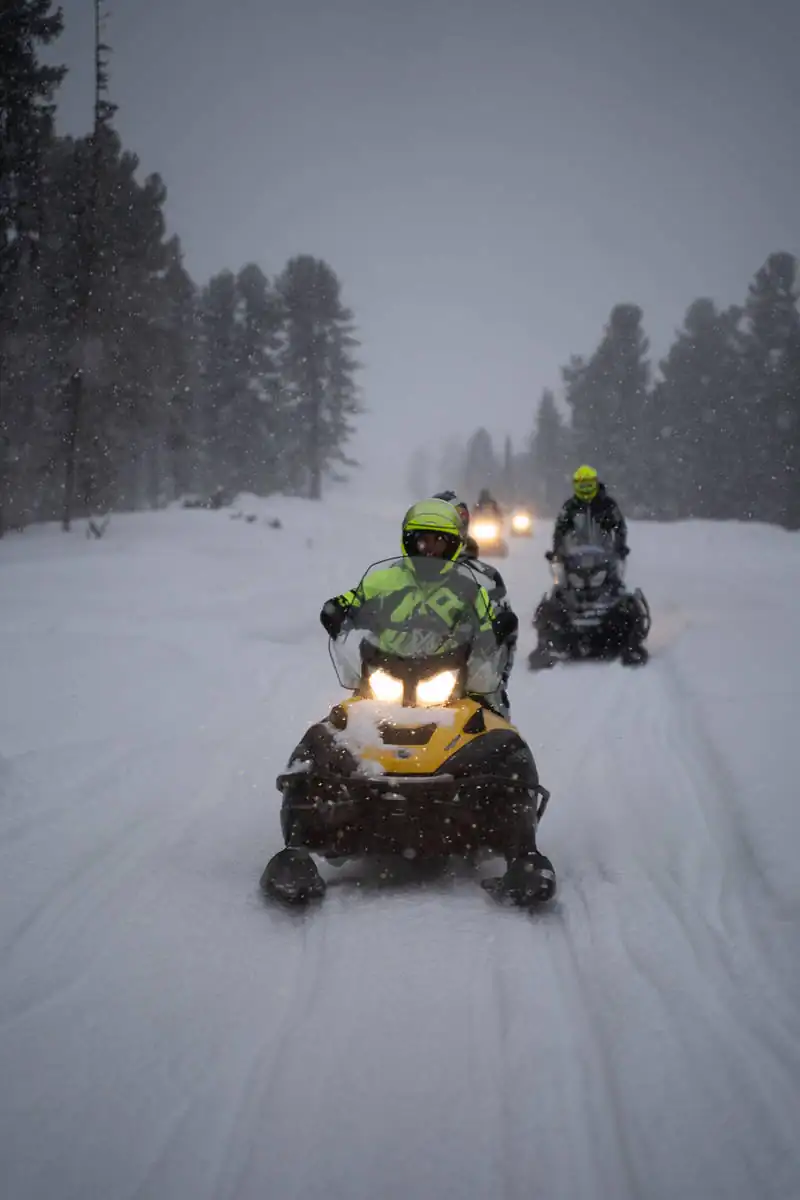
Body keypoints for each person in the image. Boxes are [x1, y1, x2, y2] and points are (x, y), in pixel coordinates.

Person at [320, 498, 515, 716]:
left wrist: (495, 632)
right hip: (384, 673)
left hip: (450, 680)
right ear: (410, 542)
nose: (429, 550)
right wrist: (337, 611)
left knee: (490, 722)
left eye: (438, 542)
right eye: (423, 542)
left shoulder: (470, 590)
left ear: (452, 546)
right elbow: (352, 600)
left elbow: (488, 627)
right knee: (340, 724)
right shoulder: (382, 581)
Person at [434, 490, 517, 713]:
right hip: (405, 673)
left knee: (491, 714)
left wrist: (487, 661)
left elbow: (505, 636)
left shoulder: (485, 578)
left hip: (466, 678)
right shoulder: (402, 575)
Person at [550, 465, 628, 560]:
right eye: (582, 486)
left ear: (595, 484)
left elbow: (620, 526)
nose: (586, 490)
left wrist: (619, 547)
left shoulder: (608, 505)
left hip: (605, 556)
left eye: (589, 486)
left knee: (613, 573)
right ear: (576, 486)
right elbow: (559, 529)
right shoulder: (569, 507)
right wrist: (558, 551)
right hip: (574, 557)